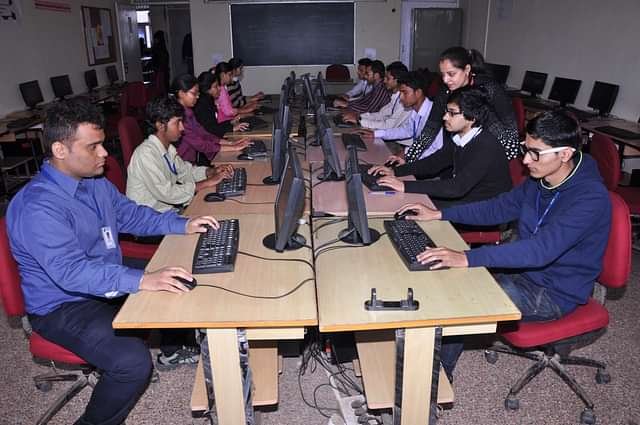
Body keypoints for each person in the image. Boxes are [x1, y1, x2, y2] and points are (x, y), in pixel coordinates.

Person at [6, 98, 220, 425]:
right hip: (63, 304)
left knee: (184, 275)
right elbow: (72, 273)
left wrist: (183, 224)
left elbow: (131, 215)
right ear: (60, 150)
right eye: (93, 147)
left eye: (102, 144)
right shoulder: (37, 207)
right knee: (132, 362)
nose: (105, 154)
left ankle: (173, 351)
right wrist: (142, 280)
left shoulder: (94, 183)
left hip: (100, 275)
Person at [395, 110, 611, 380]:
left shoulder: (590, 198)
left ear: (564, 154)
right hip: (522, 271)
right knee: (448, 281)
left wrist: (467, 257)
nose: (525, 160)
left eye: (535, 153)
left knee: (460, 303)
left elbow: (539, 251)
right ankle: (418, 362)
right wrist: (440, 214)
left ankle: (434, 382)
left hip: (554, 292)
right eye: (525, 149)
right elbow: (498, 208)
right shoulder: (541, 180)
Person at [370, 86, 512, 208]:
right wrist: (395, 171)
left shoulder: (485, 146)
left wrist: (404, 185)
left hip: (484, 207)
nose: (445, 117)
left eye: (452, 113)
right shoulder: (459, 137)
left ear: (472, 117)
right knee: (404, 199)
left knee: (408, 204)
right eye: (446, 111)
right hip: (466, 198)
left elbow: (457, 187)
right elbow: (433, 163)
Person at [405, 46, 520, 163]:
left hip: (490, 153)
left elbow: (510, 140)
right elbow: (430, 129)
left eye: (451, 74)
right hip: (457, 151)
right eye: (443, 74)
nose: (445, 80)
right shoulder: (445, 92)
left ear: (467, 69)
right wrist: (409, 158)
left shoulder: (488, 89)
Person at [127, 96, 234, 212]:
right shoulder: (146, 155)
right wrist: (208, 182)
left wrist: (211, 172)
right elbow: (167, 193)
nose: (182, 127)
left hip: (166, 212)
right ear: (160, 125)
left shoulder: (168, 148)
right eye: (177, 122)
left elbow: (186, 172)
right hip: (150, 218)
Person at [357, 70, 443, 161]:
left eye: (404, 92)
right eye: (400, 93)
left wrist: (406, 154)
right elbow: (407, 130)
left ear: (418, 93)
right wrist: (376, 134)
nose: (401, 97)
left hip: (428, 163)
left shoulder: (434, 115)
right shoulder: (415, 111)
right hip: (416, 156)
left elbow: (435, 150)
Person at [173, 74, 251, 165]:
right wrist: (234, 147)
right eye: (194, 93)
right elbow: (200, 144)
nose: (197, 97)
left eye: (198, 93)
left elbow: (204, 133)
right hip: (181, 164)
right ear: (181, 93)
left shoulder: (188, 111)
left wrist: (230, 143)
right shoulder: (178, 117)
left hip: (190, 162)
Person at [342, 62, 411, 134]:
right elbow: (381, 114)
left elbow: (389, 125)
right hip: (387, 133)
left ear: (397, 81)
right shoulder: (395, 97)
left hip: (394, 138)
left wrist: (360, 121)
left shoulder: (404, 101)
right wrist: (359, 117)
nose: (384, 81)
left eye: (388, 78)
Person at [193, 71, 249, 138]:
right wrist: (232, 128)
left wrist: (230, 122)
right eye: (215, 86)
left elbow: (214, 125)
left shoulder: (208, 101)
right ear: (207, 90)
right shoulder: (202, 105)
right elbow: (210, 130)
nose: (219, 88)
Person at [151, 30, 170, 94]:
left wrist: (157, 68)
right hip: (163, 70)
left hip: (160, 70)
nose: (155, 40)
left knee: (160, 87)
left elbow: (160, 60)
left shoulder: (158, 48)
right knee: (164, 86)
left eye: (156, 39)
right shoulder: (162, 48)